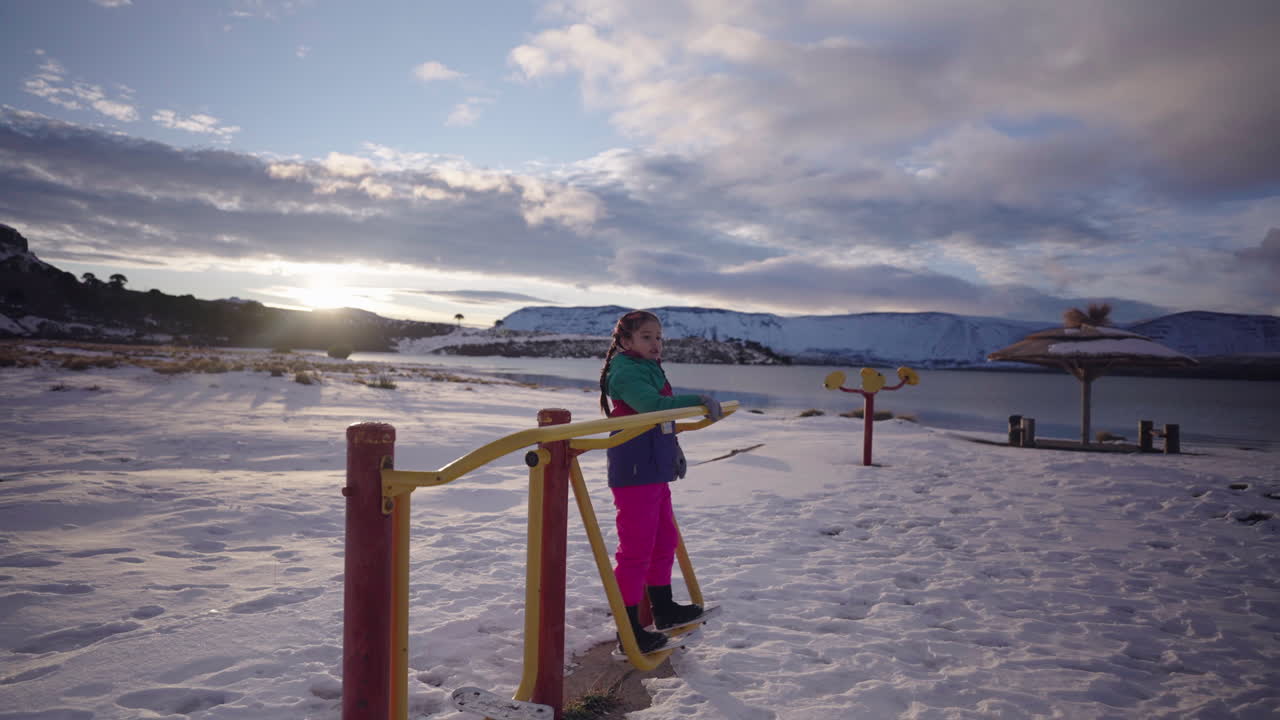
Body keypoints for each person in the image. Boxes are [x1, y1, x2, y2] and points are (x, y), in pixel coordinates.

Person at [598, 309, 722, 653]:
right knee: (636, 550)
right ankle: (629, 630)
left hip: (655, 465)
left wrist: (674, 449)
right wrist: (698, 400)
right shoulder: (623, 372)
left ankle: (664, 609)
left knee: (664, 539)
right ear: (625, 341)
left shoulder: (648, 367)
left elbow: (661, 421)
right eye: (647, 337)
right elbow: (654, 406)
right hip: (634, 469)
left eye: (659, 337)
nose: (656, 344)